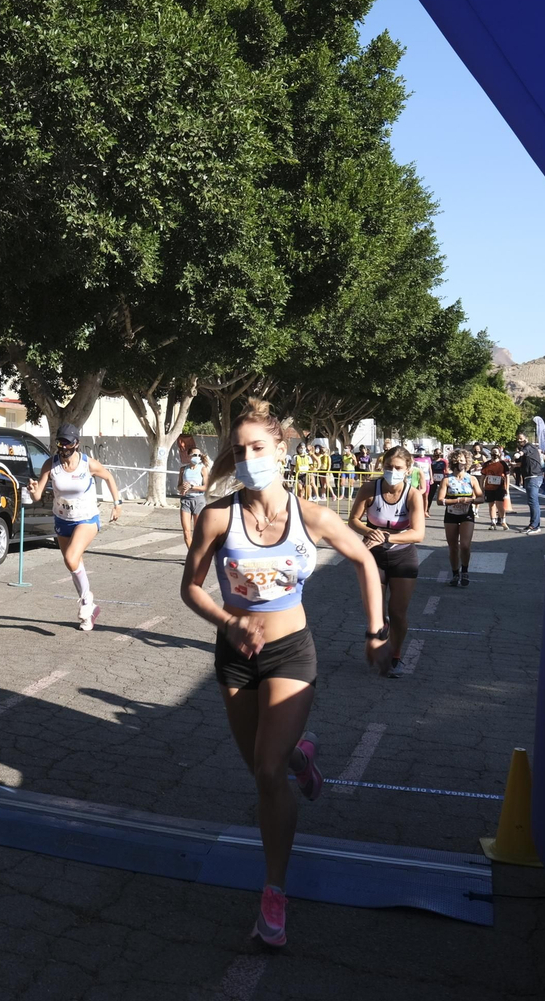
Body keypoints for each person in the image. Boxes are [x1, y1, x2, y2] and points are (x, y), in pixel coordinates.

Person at [180, 399, 386, 948]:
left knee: (266, 772)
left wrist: (376, 631)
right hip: (235, 657)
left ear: (282, 449)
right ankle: (303, 756)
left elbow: (365, 559)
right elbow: (191, 588)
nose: (249, 458)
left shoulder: (310, 516)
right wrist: (229, 622)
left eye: (259, 448)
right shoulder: (217, 516)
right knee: (262, 765)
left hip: (292, 651)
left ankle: (274, 892)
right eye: (240, 450)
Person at [29, 423, 122, 630]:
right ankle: (89, 612)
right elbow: (36, 496)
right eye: (60, 443)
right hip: (62, 519)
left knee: (71, 558)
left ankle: (87, 601)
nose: (63, 447)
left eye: (67, 443)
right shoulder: (50, 465)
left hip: (86, 518)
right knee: (72, 564)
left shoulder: (88, 464)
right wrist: (33, 490)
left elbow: (108, 477)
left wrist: (117, 504)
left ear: (76, 444)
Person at [348, 447, 427, 676]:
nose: (393, 471)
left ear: (408, 469)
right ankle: (378, 642)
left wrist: (385, 536)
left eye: (398, 468)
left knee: (398, 612)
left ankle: (395, 655)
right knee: (378, 612)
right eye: (388, 467)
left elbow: (418, 534)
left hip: (403, 556)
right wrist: (367, 531)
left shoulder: (412, 495)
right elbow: (353, 519)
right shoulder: (370, 488)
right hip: (374, 557)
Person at [437, 449, 482, 586]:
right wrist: (457, 501)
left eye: (462, 460)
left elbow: (481, 497)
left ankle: (465, 571)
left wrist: (471, 501)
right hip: (451, 514)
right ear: (452, 462)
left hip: (466, 514)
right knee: (453, 547)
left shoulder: (471, 479)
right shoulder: (447, 479)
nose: (459, 463)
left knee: (465, 545)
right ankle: (455, 573)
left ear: (467, 462)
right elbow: (439, 500)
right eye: (456, 460)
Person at [514, 432, 545, 534]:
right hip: (530, 477)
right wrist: (514, 465)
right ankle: (534, 524)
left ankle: (535, 526)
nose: (519, 440)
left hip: (534, 477)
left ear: (526, 438)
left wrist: (519, 454)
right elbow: (525, 463)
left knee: (533, 501)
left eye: (521, 438)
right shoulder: (528, 449)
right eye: (518, 439)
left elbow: (524, 451)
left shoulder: (529, 447)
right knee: (532, 502)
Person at [178, 446, 208, 548]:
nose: (197, 457)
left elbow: (206, 487)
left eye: (199, 455)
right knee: (186, 532)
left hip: (198, 500)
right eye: (195, 455)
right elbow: (178, 486)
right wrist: (182, 487)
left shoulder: (203, 469)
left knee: (198, 532)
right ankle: (191, 555)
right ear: (189, 456)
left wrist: (192, 486)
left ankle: (198, 555)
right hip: (186, 500)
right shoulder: (183, 469)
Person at [480, 447, 509, 530]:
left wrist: (507, 488)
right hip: (489, 487)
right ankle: (493, 522)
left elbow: (507, 476)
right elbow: (482, 476)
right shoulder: (487, 464)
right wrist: (482, 488)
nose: (494, 454)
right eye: (492, 452)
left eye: (496, 452)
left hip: (500, 487)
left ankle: (503, 521)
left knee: (500, 505)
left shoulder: (503, 464)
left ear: (499, 454)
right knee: (491, 505)